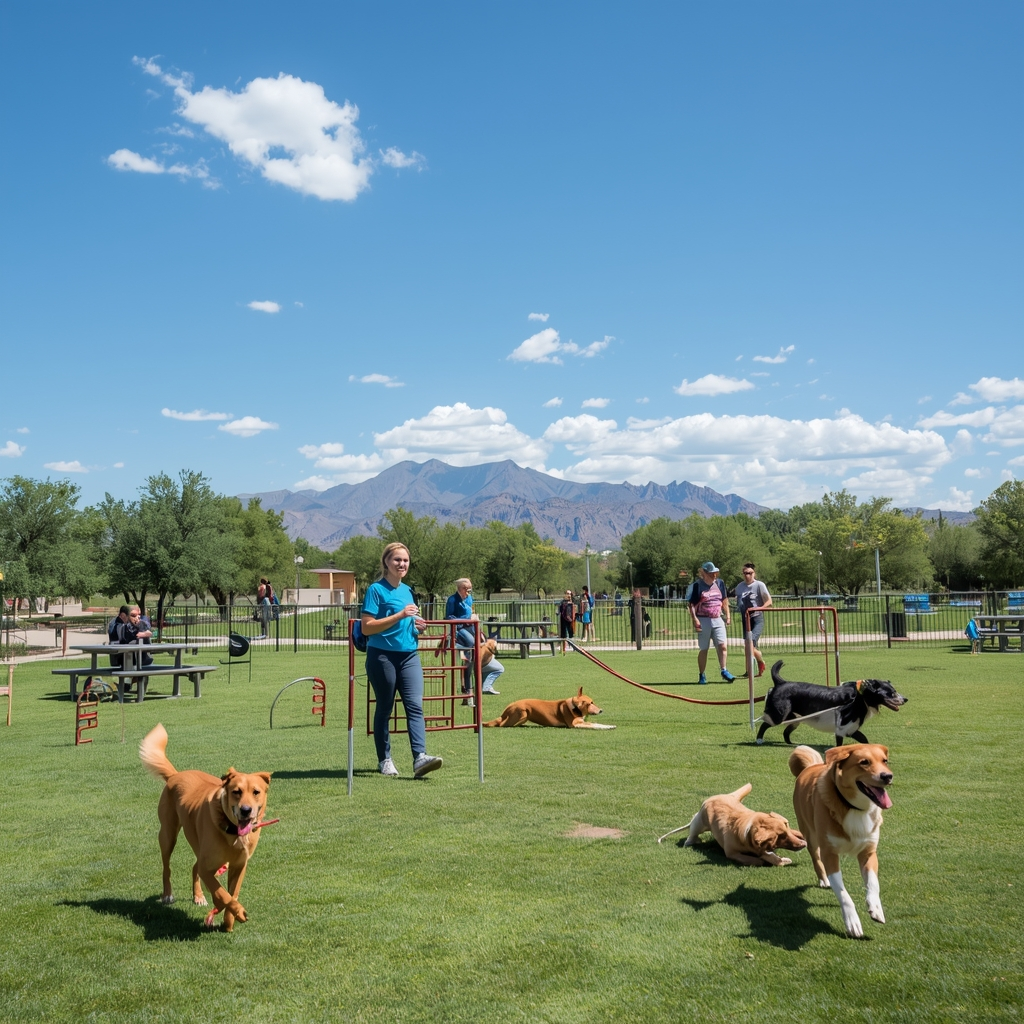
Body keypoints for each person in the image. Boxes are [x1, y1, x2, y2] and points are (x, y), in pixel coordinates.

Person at [361, 542, 443, 779]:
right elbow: (367, 628)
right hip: (382, 656)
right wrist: (400, 615)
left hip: (409, 655)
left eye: (405, 560)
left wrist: (418, 627)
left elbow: (406, 623)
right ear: (386, 562)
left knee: (415, 706)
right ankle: (384, 760)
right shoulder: (376, 590)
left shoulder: (407, 590)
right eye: (397, 560)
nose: (402, 564)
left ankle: (420, 758)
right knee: (385, 707)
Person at [689, 561, 735, 684]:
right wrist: (695, 619)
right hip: (703, 619)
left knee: (723, 645)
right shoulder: (698, 586)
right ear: (704, 573)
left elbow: (724, 600)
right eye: (712, 573)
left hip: (717, 618)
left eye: (715, 572)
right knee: (704, 649)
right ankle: (702, 675)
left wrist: (728, 616)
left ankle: (724, 670)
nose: (715, 575)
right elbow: (692, 605)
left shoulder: (720, 584)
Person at [734, 562, 772, 677]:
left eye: (750, 573)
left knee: (749, 644)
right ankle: (749, 671)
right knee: (747, 645)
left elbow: (769, 602)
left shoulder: (759, 585)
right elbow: (739, 602)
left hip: (757, 618)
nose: (747, 575)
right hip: (746, 619)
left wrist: (759, 608)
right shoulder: (739, 587)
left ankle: (759, 660)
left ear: (754, 573)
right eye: (745, 573)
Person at [445, 578, 479, 703]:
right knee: (471, 642)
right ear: (460, 588)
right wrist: (466, 619)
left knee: (481, 642)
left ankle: (473, 682)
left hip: (471, 626)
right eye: (467, 589)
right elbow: (449, 617)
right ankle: (467, 661)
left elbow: (472, 610)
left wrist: (473, 618)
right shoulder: (452, 600)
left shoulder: (469, 598)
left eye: (470, 589)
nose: (469, 592)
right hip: (459, 629)